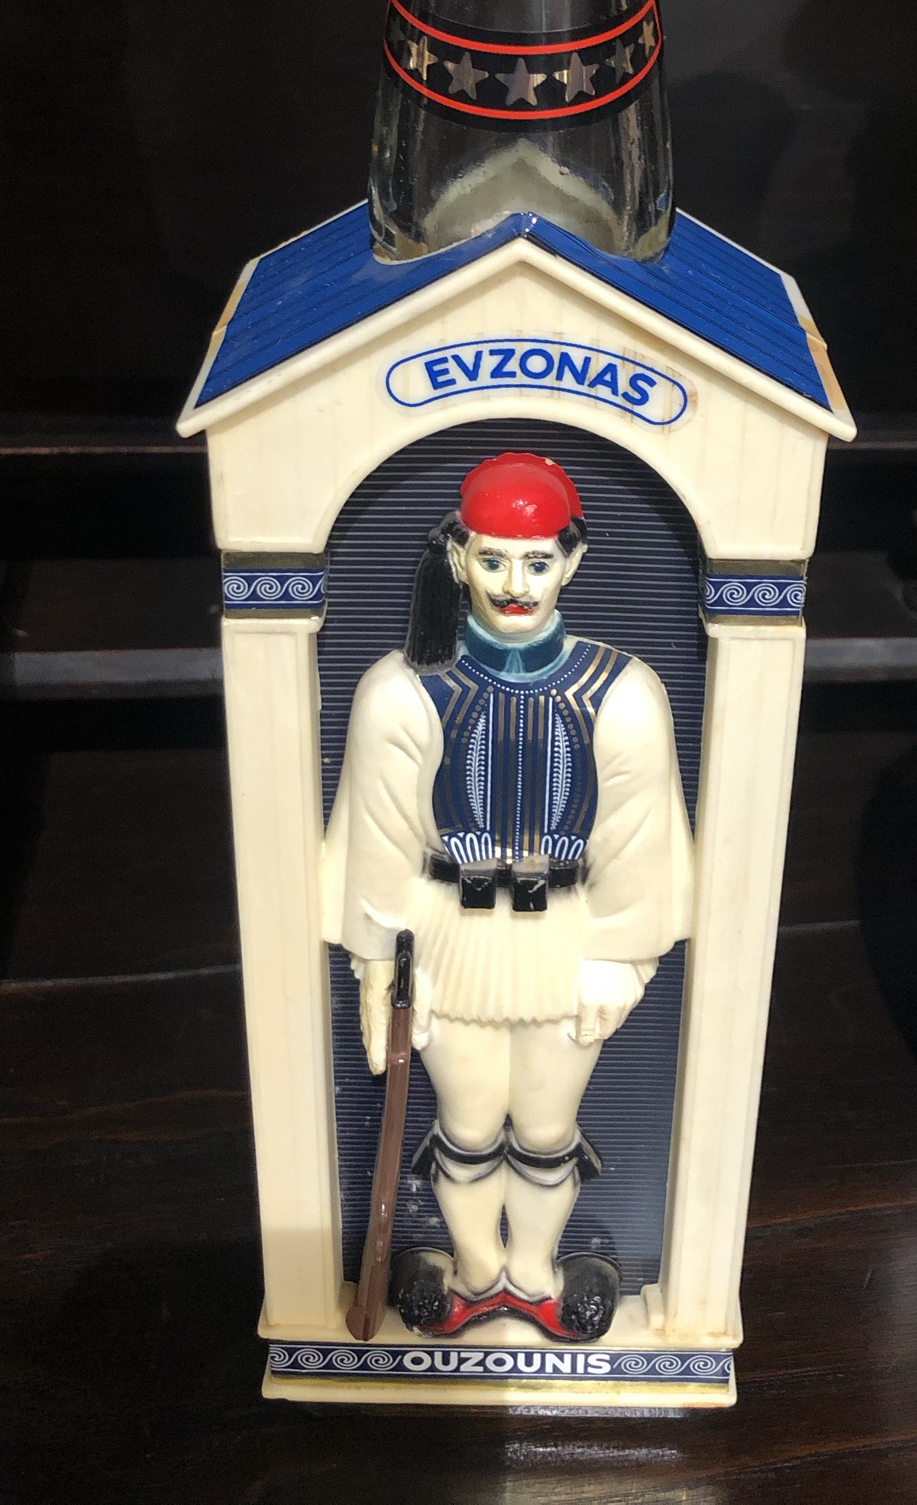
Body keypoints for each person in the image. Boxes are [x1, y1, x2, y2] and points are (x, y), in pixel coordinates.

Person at [322, 451, 694, 1340]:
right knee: (468, 1118)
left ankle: (532, 1273)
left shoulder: (623, 694)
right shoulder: (401, 690)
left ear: (572, 559)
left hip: (566, 939)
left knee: (546, 1122)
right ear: (460, 558)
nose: (514, 584)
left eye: (535, 560)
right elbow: (378, 837)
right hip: (446, 936)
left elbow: (638, 839)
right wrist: (378, 962)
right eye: (492, 559)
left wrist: (621, 956)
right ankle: (476, 1271)